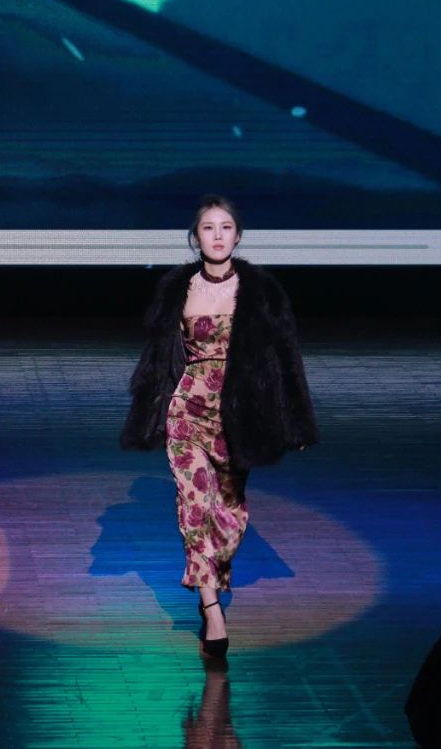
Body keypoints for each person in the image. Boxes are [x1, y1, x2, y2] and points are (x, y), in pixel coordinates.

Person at [121, 195, 318, 659]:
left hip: (238, 415)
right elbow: (157, 361)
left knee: (229, 515)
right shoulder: (177, 289)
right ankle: (211, 609)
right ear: (196, 237)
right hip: (187, 410)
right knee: (194, 505)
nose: (216, 235)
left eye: (225, 227)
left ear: (238, 235)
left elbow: (287, 359)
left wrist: (296, 421)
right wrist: (149, 412)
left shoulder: (261, 291)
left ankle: (211, 574)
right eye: (208, 227)